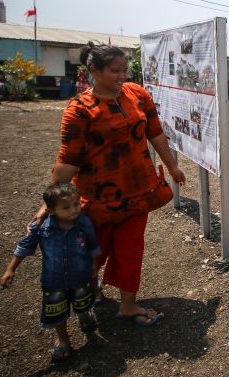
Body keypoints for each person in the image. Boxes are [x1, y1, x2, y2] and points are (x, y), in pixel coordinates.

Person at [36, 42, 186, 327]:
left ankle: (128, 305)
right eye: (115, 71)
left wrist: (172, 166)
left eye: (124, 70)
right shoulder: (79, 110)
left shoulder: (137, 95)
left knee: (131, 251)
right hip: (97, 200)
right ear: (94, 71)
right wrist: (49, 203)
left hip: (138, 193)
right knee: (94, 251)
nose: (122, 76)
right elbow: (68, 159)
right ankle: (91, 291)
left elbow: (155, 133)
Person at [0, 183, 100, 363]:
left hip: (80, 276)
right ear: (51, 211)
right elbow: (26, 245)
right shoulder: (42, 227)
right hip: (54, 280)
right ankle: (63, 339)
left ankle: (85, 314)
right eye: (66, 207)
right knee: (57, 311)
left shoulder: (84, 223)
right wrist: (11, 268)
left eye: (76, 204)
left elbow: (93, 246)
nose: (74, 210)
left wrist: (94, 267)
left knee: (83, 301)